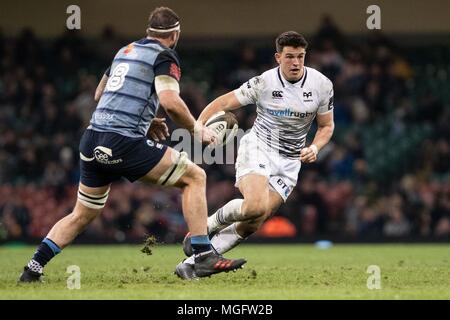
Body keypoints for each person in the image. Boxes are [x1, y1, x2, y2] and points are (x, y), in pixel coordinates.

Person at [19, 7, 246, 283]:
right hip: (122, 141)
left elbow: (100, 93)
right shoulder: (165, 55)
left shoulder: (124, 51)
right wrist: (196, 129)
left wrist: (145, 120)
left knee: (82, 214)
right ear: (175, 34)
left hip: (92, 140)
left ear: (149, 31)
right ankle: (203, 255)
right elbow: (171, 103)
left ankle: (32, 269)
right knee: (194, 176)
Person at [176, 31, 335, 279]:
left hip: (291, 161)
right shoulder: (263, 83)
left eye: (300, 57)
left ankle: (193, 263)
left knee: (254, 219)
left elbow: (326, 126)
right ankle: (205, 228)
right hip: (260, 145)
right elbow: (222, 103)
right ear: (278, 57)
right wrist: (199, 126)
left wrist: (315, 147)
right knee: (255, 205)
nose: (296, 63)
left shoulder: (321, 85)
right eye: (290, 57)